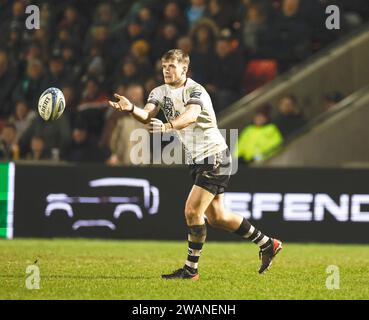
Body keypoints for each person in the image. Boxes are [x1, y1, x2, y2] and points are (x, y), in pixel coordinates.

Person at [109, 49, 282, 280]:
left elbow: (191, 115)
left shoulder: (195, 90)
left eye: (172, 66)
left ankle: (191, 270)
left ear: (184, 69)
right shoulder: (159, 92)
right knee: (218, 216)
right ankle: (268, 243)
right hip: (198, 160)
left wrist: (168, 127)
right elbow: (147, 115)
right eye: (164, 66)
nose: (167, 70)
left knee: (192, 211)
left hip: (214, 156)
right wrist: (131, 108)